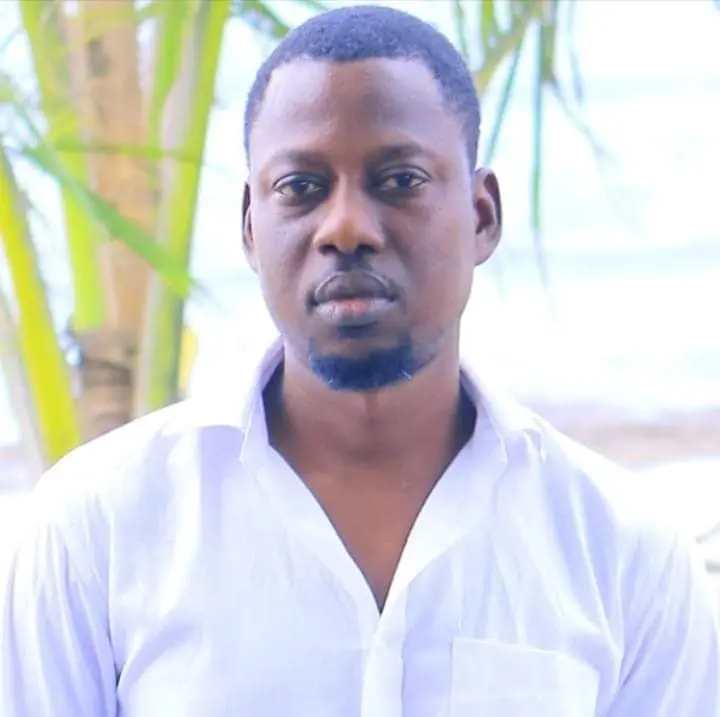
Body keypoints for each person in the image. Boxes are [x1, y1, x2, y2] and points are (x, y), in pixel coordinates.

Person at [1, 5, 718, 716]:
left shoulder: (622, 553)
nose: (345, 227)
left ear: (482, 215)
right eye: (301, 188)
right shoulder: (95, 530)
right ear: (250, 227)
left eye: (400, 180)